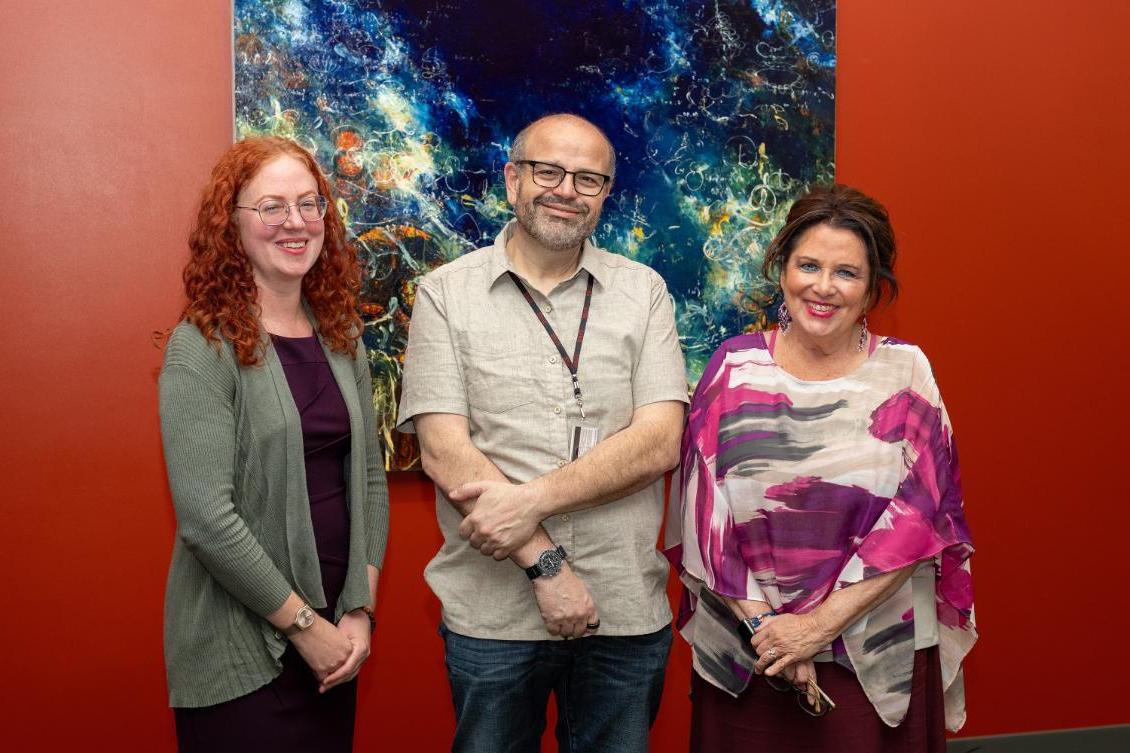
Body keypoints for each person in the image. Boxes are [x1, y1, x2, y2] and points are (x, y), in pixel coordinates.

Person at [396, 113, 688, 753]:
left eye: (588, 178)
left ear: (606, 193)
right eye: (548, 171)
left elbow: (660, 441)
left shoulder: (645, 293)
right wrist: (548, 568)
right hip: (493, 614)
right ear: (512, 180)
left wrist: (528, 501)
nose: (566, 190)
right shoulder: (445, 294)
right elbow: (447, 453)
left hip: (624, 611)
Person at [666, 184, 976, 752]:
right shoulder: (732, 366)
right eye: (808, 265)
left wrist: (815, 627)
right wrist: (772, 633)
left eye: (846, 273)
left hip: (875, 652)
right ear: (782, 270)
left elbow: (921, 520)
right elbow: (701, 518)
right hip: (751, 651)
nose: (824, 287)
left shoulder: (907, 373)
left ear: (873, 287)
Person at [159, 136, 389, 752]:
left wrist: (359, 611)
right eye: (271, 207)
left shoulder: (344, 337)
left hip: (339, 645)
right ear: (230, 225)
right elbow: (207, 520)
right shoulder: (202, 346)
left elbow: (368, 480)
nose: (296, 222)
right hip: (244, 654)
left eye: (310, 204)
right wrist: (305, 627)